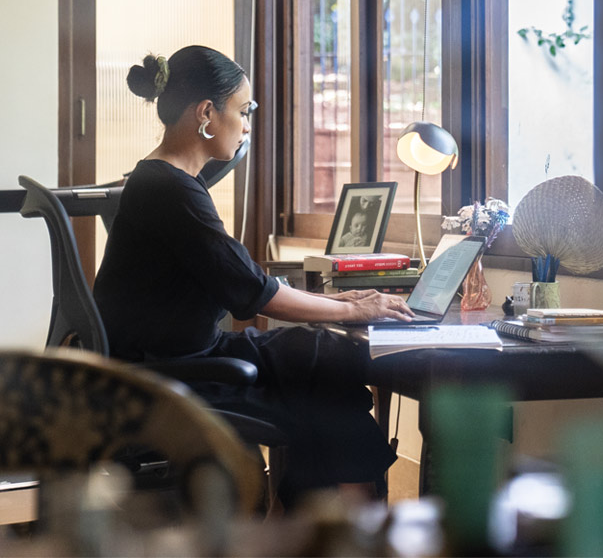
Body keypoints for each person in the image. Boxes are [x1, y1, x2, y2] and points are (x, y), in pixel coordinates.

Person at [93, 45, 414, 509]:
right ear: (207, 112)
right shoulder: (172, 190)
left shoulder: (162, 179)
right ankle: (348, 506)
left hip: (175, 359)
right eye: (242, 112)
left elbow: (242, 278)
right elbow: (255, 292)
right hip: (174, 374)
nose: (246, 126)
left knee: (318, 357)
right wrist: (352, 308)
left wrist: (345, 306)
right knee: (323, 363)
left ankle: (325, 506)